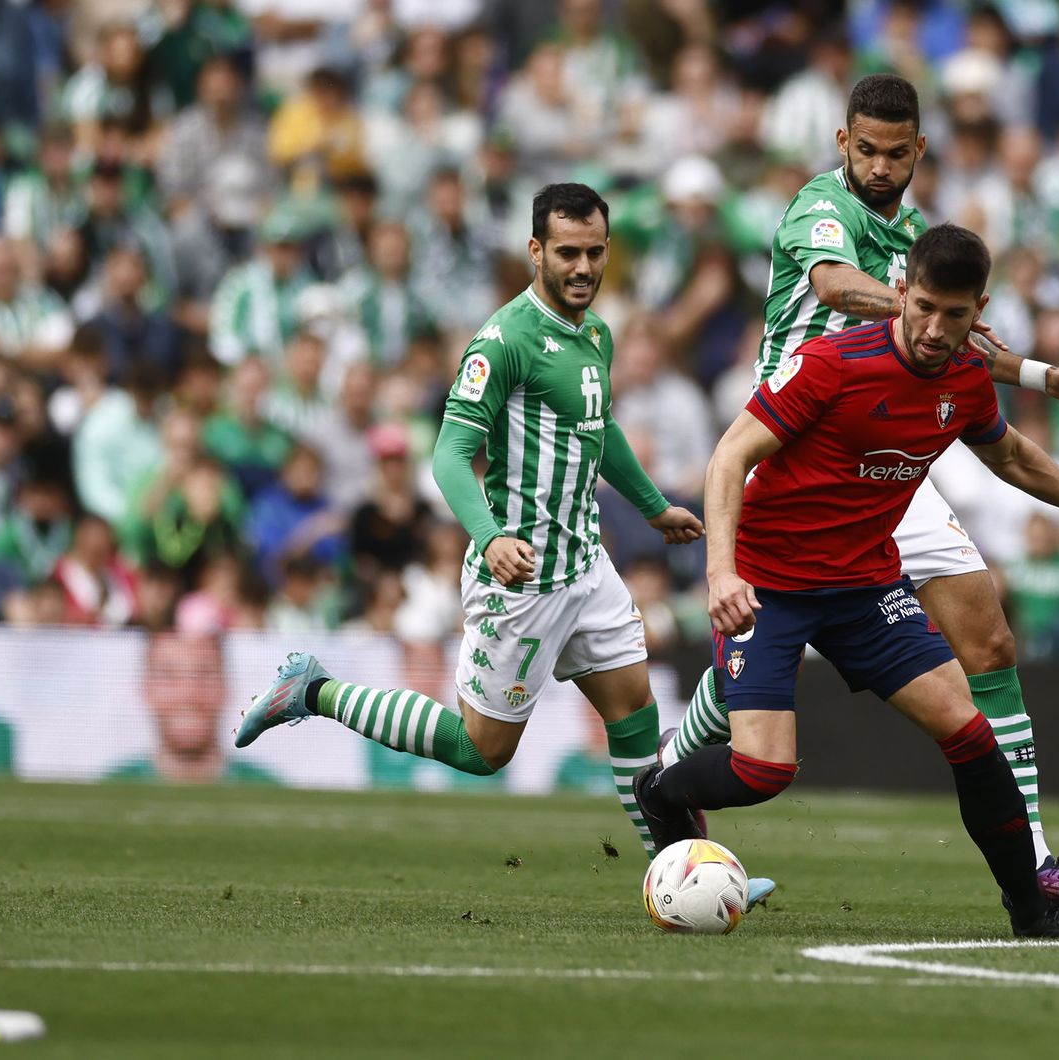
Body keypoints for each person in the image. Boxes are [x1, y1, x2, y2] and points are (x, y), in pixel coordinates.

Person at [661, 73, 1059, 913]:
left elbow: (953, 342)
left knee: (987, 642)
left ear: (919, 151)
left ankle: (1033, 867)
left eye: (897, 154)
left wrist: (1034, 375)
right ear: (842, 144)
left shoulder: (918, 237)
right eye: (867, 151)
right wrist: (917, 311)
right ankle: (676, 771)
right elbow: (837, 287)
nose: (881, 169)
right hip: (804, 444)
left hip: (890, 444)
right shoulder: (823, 208)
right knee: (763, 719)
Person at [634, 224, 1059, 941]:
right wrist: (720, 572)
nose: (935, 329)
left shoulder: (964, 377)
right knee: (762, 770)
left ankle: (1031, 914)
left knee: (972, 735)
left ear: (979, 310)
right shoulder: (830, 364)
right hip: (771, 582)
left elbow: (1015, 458)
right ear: (900, 293)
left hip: (866, 586)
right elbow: (728, 456)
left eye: (954, 315)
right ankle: (659, 790)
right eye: (924, 307)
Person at [233, 183, 729, 873]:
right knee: (481, 750)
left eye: (594, 253)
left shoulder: (597, 332)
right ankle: (312, 691)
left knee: (635, 721)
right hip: (519, 577)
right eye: (567, 254)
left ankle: (684, 873)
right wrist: (491, 536)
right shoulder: (502, 342)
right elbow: (448, 454)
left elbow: (599, 424)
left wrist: (651, 505)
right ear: (535, 251)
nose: (582, 268)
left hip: (585, 564)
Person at [108, 633, 277, 784]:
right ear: (145, 688)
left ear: (225, 686)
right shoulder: (109, 790)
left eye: (204, 673)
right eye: (169, 675)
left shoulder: (269, 790)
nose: (188, 693)